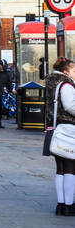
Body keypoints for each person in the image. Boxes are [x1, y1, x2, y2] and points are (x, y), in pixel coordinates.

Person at [45, 57, 75, 214]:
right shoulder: (67, 85)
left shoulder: (52, 83)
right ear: (66, 72)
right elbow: (70, 105)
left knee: (61, 168)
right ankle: (69, 205)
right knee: (71, 167)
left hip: (56, 127)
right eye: (74, 70)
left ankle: (61, 204)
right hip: (69, 127)